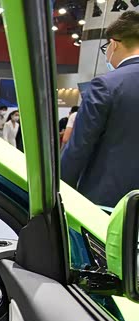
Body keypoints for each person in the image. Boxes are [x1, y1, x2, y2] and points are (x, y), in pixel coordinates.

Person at [61, 12, 139, 208]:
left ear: (114, 44)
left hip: (108, 202)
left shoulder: (106, 85)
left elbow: (79, 147)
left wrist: (60, 193)